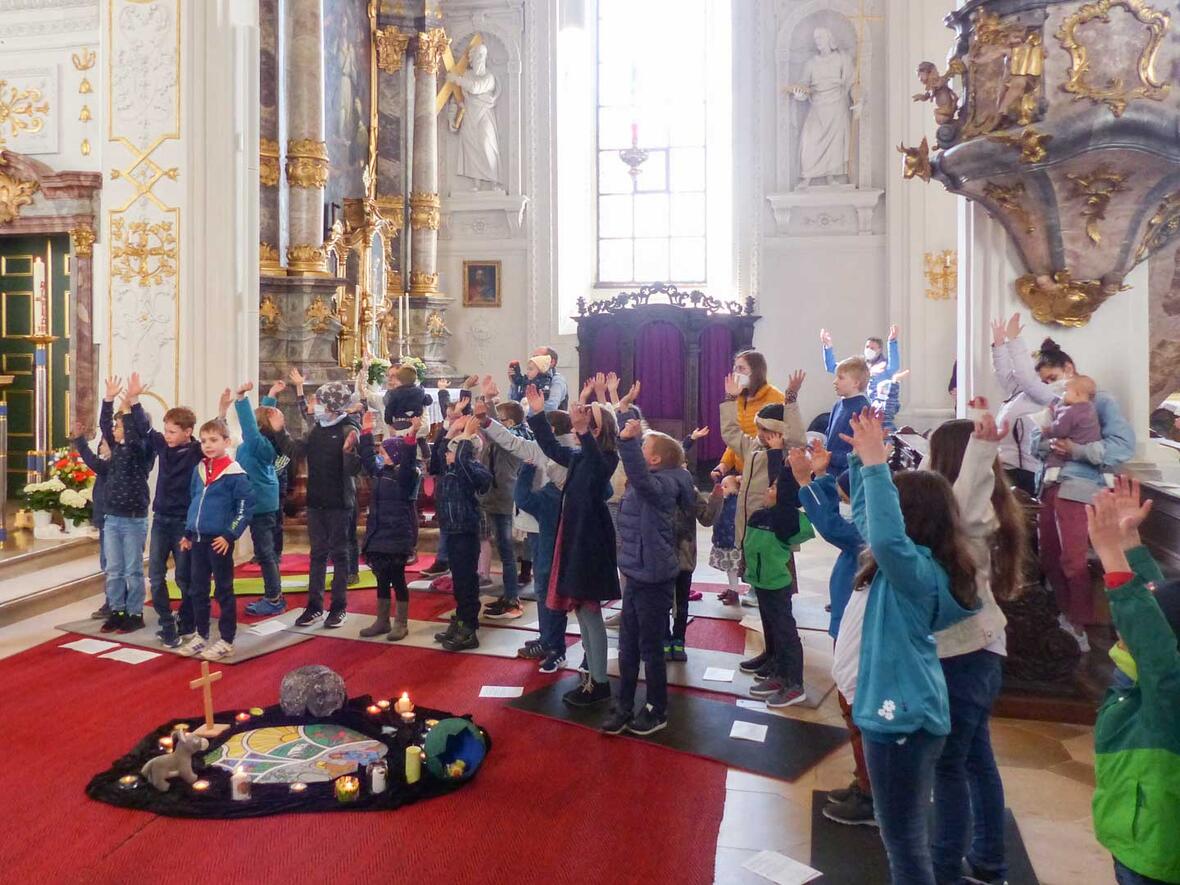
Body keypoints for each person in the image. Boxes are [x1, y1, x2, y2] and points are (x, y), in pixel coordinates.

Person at [837, 408, 979, 884]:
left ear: (908, 519)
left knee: (904, 845)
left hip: (902, 719)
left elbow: (882, 533)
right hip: (909, 712)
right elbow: (869, 519)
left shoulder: (914, 574)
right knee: (902, 837)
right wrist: (861, 464)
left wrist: (878, 465)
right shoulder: (919, 566)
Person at [927, 404, 1029, 885]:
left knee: (950, 767)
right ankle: (988, 859)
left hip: (964, 655)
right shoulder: (983, 510)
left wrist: (981, 447)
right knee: (976, 758)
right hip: (978, 650)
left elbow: (961, 508)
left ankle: (947, 869)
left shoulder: (969, 515)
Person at [1003, 328, 1135, 650]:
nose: (1049, 386)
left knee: (1073, 561)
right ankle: (1063, 616)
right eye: (1044, 381)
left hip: (1079, 485)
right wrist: (1045, 442)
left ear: (1069, 370)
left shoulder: (1098, 401)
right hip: (1048, 483)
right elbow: (1038, 443)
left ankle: (1081, 624)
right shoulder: (1054, 404)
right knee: (1048, 558)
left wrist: (1078, 451)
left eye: (1052, 378)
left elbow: (1123, 446)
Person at [1085, 479, 1180, 885]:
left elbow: (1150, 631)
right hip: (1138, 838)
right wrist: (1131, 543)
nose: (1120, 627)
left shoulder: (1167, 690)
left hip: (1151, 854)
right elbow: (1161, 606)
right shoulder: (1156, 678)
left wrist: (1110, 555)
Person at [790, 440, 874, 826]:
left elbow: (833, 525)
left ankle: (871, 793)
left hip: (858, 632)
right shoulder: (869, 526)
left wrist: (807, 480)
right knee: (851, 711)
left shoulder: (871, 536)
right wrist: (824, 476)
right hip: (849, 623)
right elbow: (847, 512)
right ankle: (865, 782)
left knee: (857, 712)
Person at [527, 387, 620, 707]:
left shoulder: (605, 458)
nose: (579, 418)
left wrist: (582, 431)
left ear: (597, 430)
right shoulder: (580, 457)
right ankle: (593, 677)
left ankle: (600, 681)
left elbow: (598, 469)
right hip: (576, 539)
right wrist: (537, 414)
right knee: (582, 612)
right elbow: (551, 447)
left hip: (590, 545)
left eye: (587, 421)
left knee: (590, 613)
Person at [600, 420, 693, 736]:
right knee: (628, 646)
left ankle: (657, 708)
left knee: (651, 647)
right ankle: (624, 704)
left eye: (643, 447)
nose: (639, 451)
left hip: (655, 577)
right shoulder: (650, 481)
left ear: (654, 460)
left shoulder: (665, 485)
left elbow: (639, 478)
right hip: (636, 572)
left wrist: (627, 442)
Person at [483, 403, 579, 670]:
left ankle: (554, 645)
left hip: (550, 526)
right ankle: (547, 639)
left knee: (550, 588)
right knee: (543, 587)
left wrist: (489, 421)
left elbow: (515, 445)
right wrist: (488, 421)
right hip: (542, 524)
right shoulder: (553, 446)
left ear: (549, 430)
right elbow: (513, 441)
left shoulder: (560, 451)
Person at [120, 373, 202, 648]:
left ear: (187, 432)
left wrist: (225, 411)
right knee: (155, 576)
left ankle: (187, 621)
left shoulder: (196, 452)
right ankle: (167, 624)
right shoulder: (163, 447)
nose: (167, 436)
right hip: (161, 521)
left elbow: (218, 442)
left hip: (183, 522)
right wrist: (133, 399)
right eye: (165, 431)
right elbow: (144, 428)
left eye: (172, 432)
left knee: (184, 577)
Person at [719, 370, 806, 605]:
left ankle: (774, 592)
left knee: (773, 556)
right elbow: (730, 433)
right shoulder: (752, 446)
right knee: (753, 553)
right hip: (750, 515)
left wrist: (791, 398)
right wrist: (729, 399)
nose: (760, 434)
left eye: (765, 431)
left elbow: (798, 437)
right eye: (759, 429)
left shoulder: (788, 450)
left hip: (772, 517)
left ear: (779, 432)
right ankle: (756, 588)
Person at [178, 417, 254, 661]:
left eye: (213, 440)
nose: (208, 445)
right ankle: (201, 634)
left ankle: (226, 639)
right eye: (203, 441)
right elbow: (194, 502)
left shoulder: (236, 475)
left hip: (219, 541)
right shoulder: (199, 470)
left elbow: (244, 509)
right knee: (197, 588)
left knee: (223, 589)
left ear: (227, 442)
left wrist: (229, 534)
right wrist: (188, 533)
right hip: (197, 540)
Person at [742, 440, 811, 709]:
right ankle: (779, 674)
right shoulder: (763, 514)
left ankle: (795, 684)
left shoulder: (784, 519)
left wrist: (785, 469)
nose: (768, 489)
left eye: (773, 488)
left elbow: (782, 487)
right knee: (772, 628)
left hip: (776, 584)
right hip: (761, 582)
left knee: (785, 632)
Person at [291, 374, 362, 629]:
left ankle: (339, 607)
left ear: (332, 407)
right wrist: (277, 435)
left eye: (319, 402)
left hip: (339, 502)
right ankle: (314, 607)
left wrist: (350, 452)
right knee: (317, 555)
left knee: (340, 555)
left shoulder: (348, 430)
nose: (315, 406)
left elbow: (355, 470)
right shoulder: (317, 429)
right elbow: (296, 451)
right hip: (316, 500)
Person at [96, 377, 155, 634]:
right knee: (114, 569)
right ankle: (117, 611)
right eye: (118, 426)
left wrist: (131, 404)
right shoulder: (117, 449)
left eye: (120, 426)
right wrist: (108, 399)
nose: (116, 430)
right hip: (112, 518)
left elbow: (133, 434)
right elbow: (104, 426)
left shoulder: (140, 450)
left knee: (132, 570)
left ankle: (134, 613)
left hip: (133, 519)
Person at [429, 414, 493, 651]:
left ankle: (469, 628)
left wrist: (465, 437)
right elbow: (436, 460)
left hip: (466, 532)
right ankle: (461, 618)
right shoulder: (451, 468)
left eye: (454, 449)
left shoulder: (475, 471)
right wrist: (450, 431)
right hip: (452, 531)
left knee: (467, 582)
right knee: (459, 581)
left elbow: (465, 465)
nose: (448, 453)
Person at [227, 382, 290, 617]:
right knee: (266, 552)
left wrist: (241, 397)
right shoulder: (265, 442)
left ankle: (274, 598)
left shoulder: (258, 444)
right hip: (261, 499)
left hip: (260, 503)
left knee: (265, 554)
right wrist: (271, 397)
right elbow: (260, 422)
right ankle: (273, 595)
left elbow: (250, 427)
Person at [357, 411, 421, 641]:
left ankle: (401, 623)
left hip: (398, 534)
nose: (380, 455)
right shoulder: (380, 472)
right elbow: (366, 458)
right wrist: (365, 432)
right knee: (382, 578)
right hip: (379, 532)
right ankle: (382, 620)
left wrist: (412, 436)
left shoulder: (406, 475)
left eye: (384, 452)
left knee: (398, 579)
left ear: (395, 454)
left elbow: (410, 459)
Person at [666, 427, 722, 662]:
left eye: (686, 468)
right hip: (661, 556)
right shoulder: (659, 488)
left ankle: (678, 640)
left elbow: (707, 519)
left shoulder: (691, 491)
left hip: (684, 557)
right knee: (661, 602)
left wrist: (717, 497)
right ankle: (663, 638)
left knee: (681, 603)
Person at [475, 398, 524, 620]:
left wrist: (489, 409)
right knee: (503, 551)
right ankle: (508, 594)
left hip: (504, 499)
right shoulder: (497, 441)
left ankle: (512, 598)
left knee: (506, 552)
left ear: (510, 423)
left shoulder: (512, 441)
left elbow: (495, 428)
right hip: (492, 498)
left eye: (501, 420)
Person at [990, 313, 1044, 496]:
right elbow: (1004, 373)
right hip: (1007, 466)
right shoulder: (1019, 392)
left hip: (1028, 470)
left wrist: (1014, 340)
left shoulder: (1044, 395)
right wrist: (999, 344)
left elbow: (1025, 373)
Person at [822, 325, 903, 429]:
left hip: (875, 414)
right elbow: (832, 367)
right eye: (867, 347)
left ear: (879, 350)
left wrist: (892, 342)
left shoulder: (882, 368)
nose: (869, 350)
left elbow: (894, 366)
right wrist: (827, 347)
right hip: (854, 407)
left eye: (872, 348)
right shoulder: (857, 367)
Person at [72, 423, 111, 615]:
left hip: (115, 518)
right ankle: (113, 601)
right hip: (105, 517)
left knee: (112, 564)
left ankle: (116, 604)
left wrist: (80, 441)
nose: (101, 447)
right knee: (107, 563)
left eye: (103, 444)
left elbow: (94, 463)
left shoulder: (117, 462)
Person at [1040, 375, 1102, 484]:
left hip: (1072, 446)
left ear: (1077, 394)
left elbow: (1060, 429)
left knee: (1055, 454)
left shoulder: (1069, 411)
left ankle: (1051, 475)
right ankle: (1108, 476)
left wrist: (1047, 430)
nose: (1062, 394)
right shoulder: (1091, 408)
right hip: (1091, 442)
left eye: (1065, 391)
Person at [824, 356, 872, 475]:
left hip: (846, 472)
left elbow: (861, 449)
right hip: (829, 467)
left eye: (841, 378)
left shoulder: (863, 408)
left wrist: (832, 457)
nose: (835, 382)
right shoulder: (838, 404)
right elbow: (829, 435)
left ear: (856, 383)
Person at [383, 363, 432, 431]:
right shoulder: (420, 391)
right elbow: (428, 401)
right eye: (388, 376)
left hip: (400, 424)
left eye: (394, 376)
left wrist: (389, 422)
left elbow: (389, 409)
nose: (390, 379)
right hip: (415, 422)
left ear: (399, 379)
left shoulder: (394, 393)